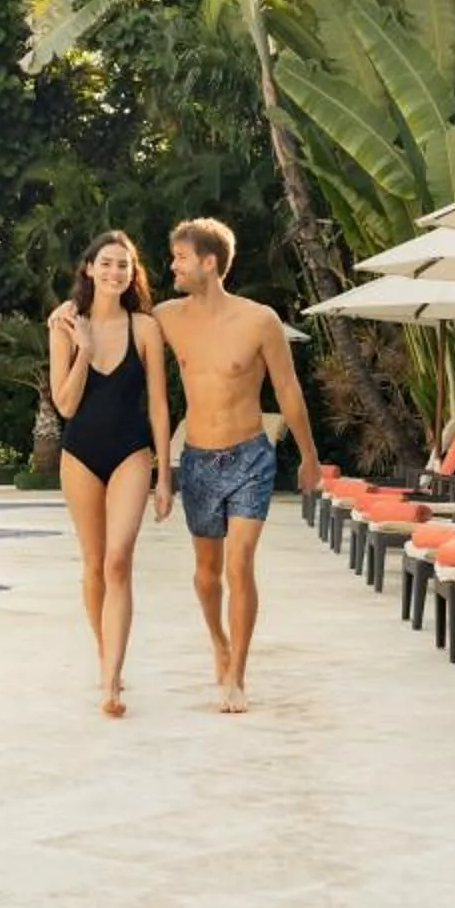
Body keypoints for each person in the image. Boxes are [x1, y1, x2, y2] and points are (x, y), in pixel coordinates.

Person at [158, 217, 320, 713]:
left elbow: (288, 390)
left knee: (239, 563)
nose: (173, 267)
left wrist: (310, 457)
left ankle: (236, 675)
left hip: (251, 455)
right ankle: (217, 641)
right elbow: (113, 325)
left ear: (209, 262)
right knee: (207, 575)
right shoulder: (165, 316)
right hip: (199, 460)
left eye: (181, 258)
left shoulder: (259, 320)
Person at [47, 231, 174, 718]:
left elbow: (160, 406)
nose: (115, 272)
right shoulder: (64, 323)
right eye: (107, 263)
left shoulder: (145, 327)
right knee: (94, 562)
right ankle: (108, 662)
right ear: (89, 268)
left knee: (119, 561)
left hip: (130, 452)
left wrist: (164, 475)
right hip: (79, 454)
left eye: (124, 265)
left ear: (132, 272)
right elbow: (65, 403)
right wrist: (82, 347)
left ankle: (111, 686)